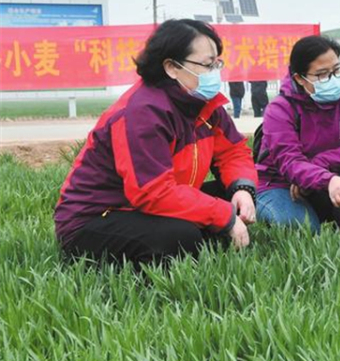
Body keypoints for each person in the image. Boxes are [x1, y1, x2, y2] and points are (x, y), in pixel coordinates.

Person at [54, 19, 258, 264]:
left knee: (232, 197)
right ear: (171, 67)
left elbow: (232, 152)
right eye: (207, 65)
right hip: (98, 218)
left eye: (217, 64)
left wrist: (242, 189)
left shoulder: (204, 103)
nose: (215, 73)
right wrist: (223, 215)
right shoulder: (142, 113)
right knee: (182, 237)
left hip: (153, 205)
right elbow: (152, 192)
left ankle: (209, 233)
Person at [255, 35, 340, 233]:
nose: (332, 79)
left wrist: (318, 168)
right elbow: (289, 162)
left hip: (324, 177)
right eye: (321, 74)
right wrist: (327, 179)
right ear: (299, 78)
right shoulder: (280, 109)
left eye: (336, 70)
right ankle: (292, 212)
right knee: (306, 231)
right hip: (280, 184)